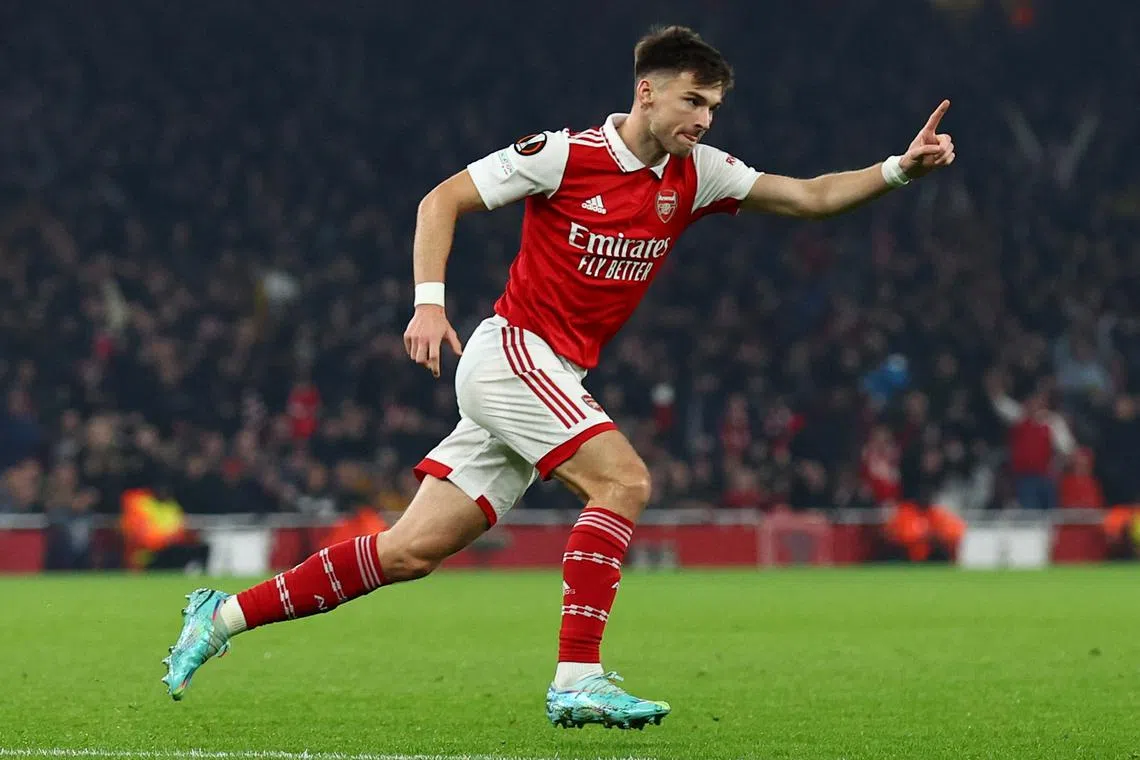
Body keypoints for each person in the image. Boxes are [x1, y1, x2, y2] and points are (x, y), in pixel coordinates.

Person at [162, 25, 956, 728]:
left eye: (713, 107)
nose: (705, 119)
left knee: (408, 553)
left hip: (550, 375)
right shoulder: (563, 155)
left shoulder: (697, 173)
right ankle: (576, 680)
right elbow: (441, 201)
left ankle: (221, 616)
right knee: (625, 481)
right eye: (693, 101)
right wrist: (428, 306)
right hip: (510, 355)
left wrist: (899, 170)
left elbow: (810, 196)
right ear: (646, 92)